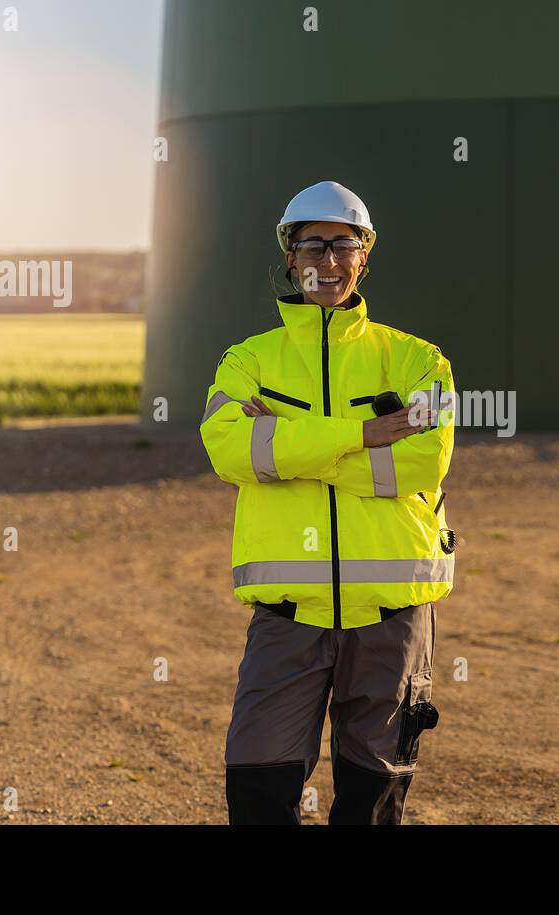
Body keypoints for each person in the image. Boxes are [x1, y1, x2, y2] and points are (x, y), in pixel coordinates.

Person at [200, 180, 457, 825]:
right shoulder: (248, 361)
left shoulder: (420, 363)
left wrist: (291, 454)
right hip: (287, 614)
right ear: (290, 256)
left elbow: (423, 460)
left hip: (393, 611)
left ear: (364, 255)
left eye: (345, 245)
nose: (329, 260)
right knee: (257, 790)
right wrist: (362, 434)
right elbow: (232, 454)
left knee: (371, 801)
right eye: (313, 244)